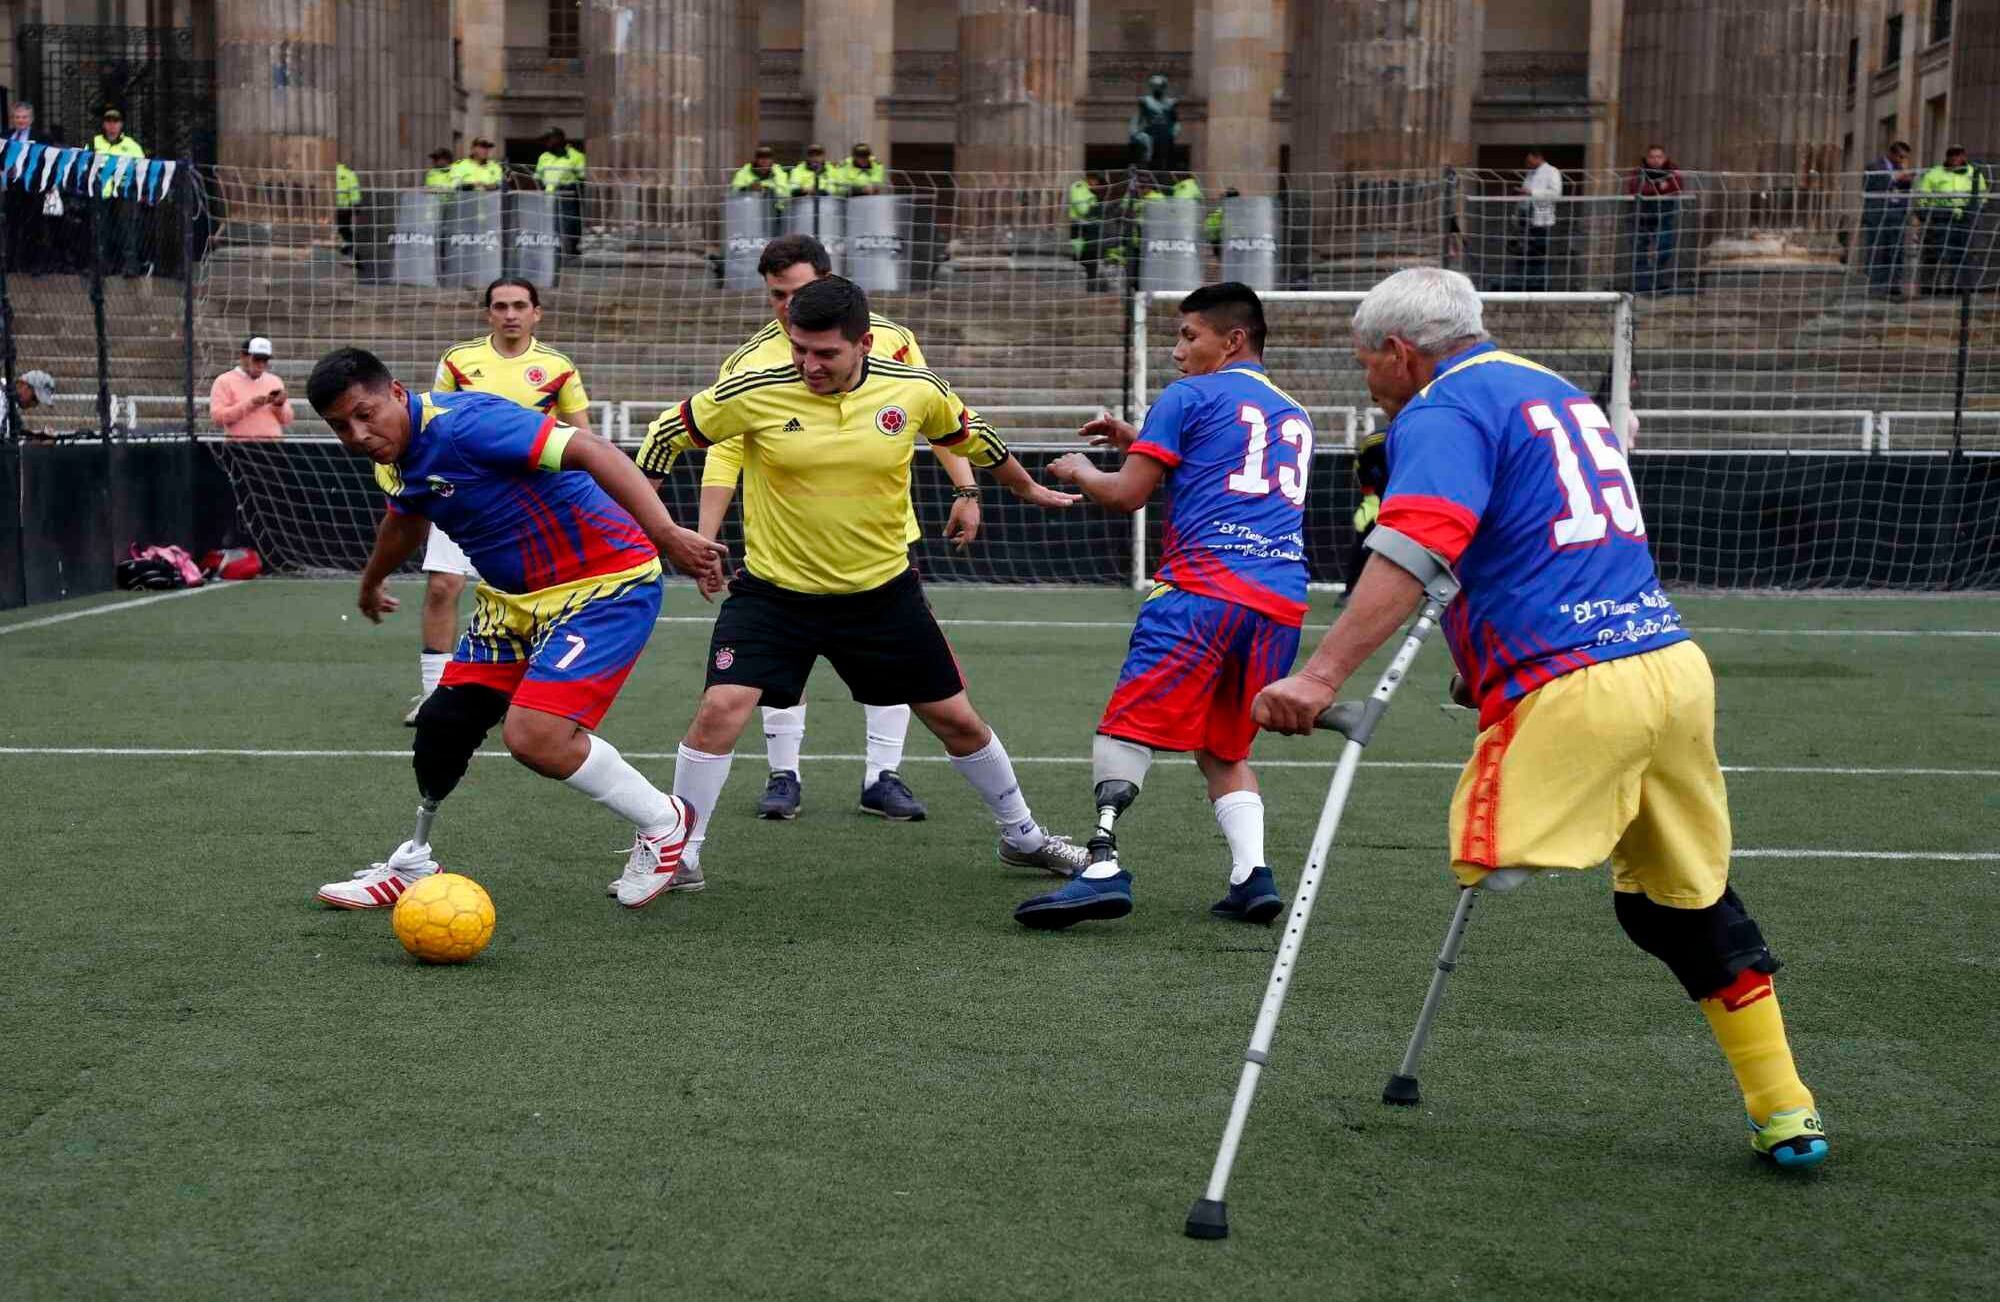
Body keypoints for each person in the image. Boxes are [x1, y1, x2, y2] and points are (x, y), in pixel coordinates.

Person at [1253, 267, 1828, 1170]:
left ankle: (1525, 836)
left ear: (1401, 353)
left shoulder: (1439, 409)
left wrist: (1320, 676)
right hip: (1670, 668)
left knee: (1487, 845)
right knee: (1680, 908)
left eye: (1366, 362)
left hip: (1576, 689)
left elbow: (1416, 544)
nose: (1366, 380)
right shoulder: (1557, 393)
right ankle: (1785, 1105)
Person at [635, 276, 1090, 886]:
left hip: (881, 595)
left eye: (825, 353)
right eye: (799, 348)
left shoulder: (915, 389)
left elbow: (971, 436)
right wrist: (658, 527)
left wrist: (1023, 487)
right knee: (720, 709)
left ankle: (1023, 836)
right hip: (773, 594)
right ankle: (679, 853)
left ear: (865, 343)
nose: (808, 364)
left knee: (957, 721)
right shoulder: (754, 390)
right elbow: (668, 433)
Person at [304, 347, 726, 911]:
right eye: (339, 426)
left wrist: (667, 533)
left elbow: (595, 451)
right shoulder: (393, 459)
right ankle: (415, 861)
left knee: (535, 738)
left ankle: (665, 822)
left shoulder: (470, 423)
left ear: (397, 392)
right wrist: (371, 579)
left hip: (604, 583)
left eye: (365, 413)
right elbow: (404, 518)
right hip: (513, 603)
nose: (357, 434)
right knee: (441, 726)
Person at [1012, 284, 1311, 929]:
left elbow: (1124, 496)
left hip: (1201, 593)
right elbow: (1218, 467)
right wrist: (1137, 437)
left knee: (1126, 727)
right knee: (1224, 749)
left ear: (1233, 340)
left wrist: (1079, 471)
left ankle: (1100, 866)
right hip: (1280, 604)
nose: (1176, 351)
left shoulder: (1188, 396)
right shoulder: (1294, 412)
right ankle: (1251, 876)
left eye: (1188, 336)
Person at [696, 233, 984, 823]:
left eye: (798, 292)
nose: (786, 305)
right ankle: (784, 772)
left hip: (881, 539)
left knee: (894, 667)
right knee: (776, 668)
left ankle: (884, 774)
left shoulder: (893, 342)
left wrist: (966, 487)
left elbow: (938, 416)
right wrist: (706, 533)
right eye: (777, 294)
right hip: (789, 542)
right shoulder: (750, 361)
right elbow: (724, 449)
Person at [411, 276, 595, 725]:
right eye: (500, 306)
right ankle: (435, 696)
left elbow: (582, 436)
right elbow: (432, 420)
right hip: (460, 492)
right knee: (442, 587)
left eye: (519, 306)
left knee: (533, 598)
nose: (510, 314)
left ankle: (527, 693)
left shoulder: (558, 367)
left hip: (530, 501)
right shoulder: (458, 360)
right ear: (488, 312)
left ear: (537, 312)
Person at [1915, 145, 1989, 296]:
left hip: (1966, 216)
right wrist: (1924, 213)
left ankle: (1958, 287)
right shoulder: (1934, 173)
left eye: (1958, 155)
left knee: (1964, 252)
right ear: (1947, 157)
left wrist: (1976, 210)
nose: (1955, 158)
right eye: (1952, 155)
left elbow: (1982, 195)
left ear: (1964, 156)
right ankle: (1929, 287)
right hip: (1941, 216)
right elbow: (1923, 195)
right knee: (1935, 252)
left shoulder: (1974, 173)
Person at [91, 109, 147, 277]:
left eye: (115, 122)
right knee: (102, 230)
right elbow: (85, 164)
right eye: (108, 121)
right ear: (104, 124)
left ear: (121, 124)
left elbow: (142, 168)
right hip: (101, 193)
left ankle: (130, 266)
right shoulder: (94, 142)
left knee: (127, 229)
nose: (112, 126)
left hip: (124, 193)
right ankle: (103, 266)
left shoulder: (131, 145)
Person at [208, 337, 294, 441]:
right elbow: (217, 418)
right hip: (240, 448)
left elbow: (287, 420)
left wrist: (279, 405)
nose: (261, 365)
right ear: (243, 356)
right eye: (257, 359)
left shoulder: (275, 381)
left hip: (274, 446)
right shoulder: (224, 381)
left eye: (265, 360)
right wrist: (251, 404)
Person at [1626, 145, 1682, 293]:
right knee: (1640, 247)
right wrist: (1660, 187)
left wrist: (1652, 188)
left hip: (1665, 212)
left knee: (1664, 245)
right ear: (1647, 158)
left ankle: (1660, 280)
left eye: (1659, 157)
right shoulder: (1639, 172)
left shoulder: (1672, 171)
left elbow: (1676, 188)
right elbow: (1635, 189)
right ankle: (1642, 285)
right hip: (1641, 212)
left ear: (1665, 158)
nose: (1656, 160)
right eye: (1652, 157)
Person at [1862, 141, 1915, 297]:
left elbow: (1903, 190)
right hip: (1878, 215)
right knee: (1878, 250)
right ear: (1891, 154)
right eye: (1900, 156)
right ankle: (1877, 286)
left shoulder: (1901, 169)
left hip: (1896, 213)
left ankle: (1894, 285)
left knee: (1896, 250)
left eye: (1905, 157)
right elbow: (1873, 185)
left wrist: (1907, 182)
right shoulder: (1874, 166)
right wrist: (1895, 178)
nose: (1902, 160)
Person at [4, 101, 48, 275]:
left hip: (33, 188)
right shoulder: (5, 135)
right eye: (17, 117)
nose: (21, 120)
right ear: (12, 119)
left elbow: (48, 160)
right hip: (12, 187)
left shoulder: (42, 137)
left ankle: (33, 264)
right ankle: (12, 264)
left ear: (31, 119)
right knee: (12, 225)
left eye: (24, 117)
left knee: (34, 226)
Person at [535, 128, 586, 258]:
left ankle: (570, 252)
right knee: (550, 228)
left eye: (548, 140)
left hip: (567, 198)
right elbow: (538, 178)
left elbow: (583, 179)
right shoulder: (544, 157)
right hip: (548, 199)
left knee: (568, 226)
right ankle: (553, 255)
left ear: (558, 139)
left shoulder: (576, 156)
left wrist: (570, 188)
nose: (545, 143)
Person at [1519, 149, 1561, 292]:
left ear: (1539, 158)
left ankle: (1539, 285)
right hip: (1526, 218)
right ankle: (1528, 283)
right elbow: (1525, 192)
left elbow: (1556, 194)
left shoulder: (1552, 171)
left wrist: (1532, 193)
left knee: (1539, 252)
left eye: (1530, 161)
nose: (1528, 164)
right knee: (1525, 252)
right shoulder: (1531, 173)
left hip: (1542, 219)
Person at [1129, 72, 1181, 168]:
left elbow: (1175, 120)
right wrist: (1134, 131)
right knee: (1146, 152)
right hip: (1150, 133)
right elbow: (1138, 118)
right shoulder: (1145, 101)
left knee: (1165, 159)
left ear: (1164, 87)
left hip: (1165, 135)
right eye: (1154, 86)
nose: (1156, 89)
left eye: (1159, 86)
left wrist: (1175, 131)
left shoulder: (1171, 103)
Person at [1067, 174, 1106, 291]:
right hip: (1079, 232)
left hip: (1088, 233)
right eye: (1098, 182)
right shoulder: (1078, 187)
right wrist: (1096, 209)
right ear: (1091, 179)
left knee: (1092, 261)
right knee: (1084, 260)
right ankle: (1087, 287)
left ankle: (1091, 287)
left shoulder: (1088, 192)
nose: (1098, 186)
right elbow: (1083, 209)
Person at [2, 369, 57, 441]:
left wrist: (38, 437)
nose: (34, 405)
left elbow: (15, 434)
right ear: (24, 385)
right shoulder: (2, 395)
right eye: (34, 399)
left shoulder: (13, 404)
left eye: (37, 402)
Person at [334, 162, 361, 257]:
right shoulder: (349, 173)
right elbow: (355, 190)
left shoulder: (338, 173)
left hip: (341, 207)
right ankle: (348, 248)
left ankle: (348, 248)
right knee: (345, 229)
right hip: (346, 207)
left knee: (343, 229)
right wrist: (356, 204)